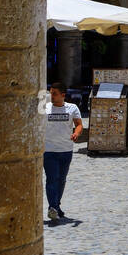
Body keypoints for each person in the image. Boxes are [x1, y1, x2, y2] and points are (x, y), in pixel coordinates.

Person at [43, 82, 82, 221]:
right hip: (49, 150)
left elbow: (79, 124)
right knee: (52, 179)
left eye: (54, 93)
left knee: (61, 180)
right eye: (50, 93)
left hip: (66, 150)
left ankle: (56, 206)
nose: (51, 96)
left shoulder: (72, 108)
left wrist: (76, 134)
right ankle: (52, 207)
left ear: (63, 95)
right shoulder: (44, 108)